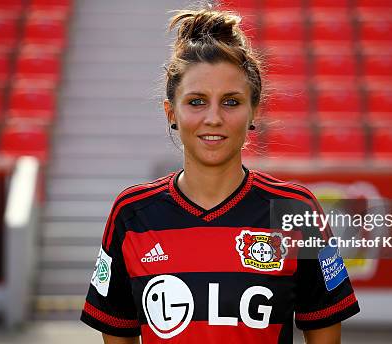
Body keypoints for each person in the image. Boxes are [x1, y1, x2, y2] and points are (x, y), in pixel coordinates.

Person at [80, 5, 360, 344]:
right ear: (172, 112)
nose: (213, 118)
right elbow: (117, 334)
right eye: (196, 102)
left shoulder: (295, 210)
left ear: (254, 110)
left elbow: (325, 334)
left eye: (230, 102)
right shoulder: (132, 213)